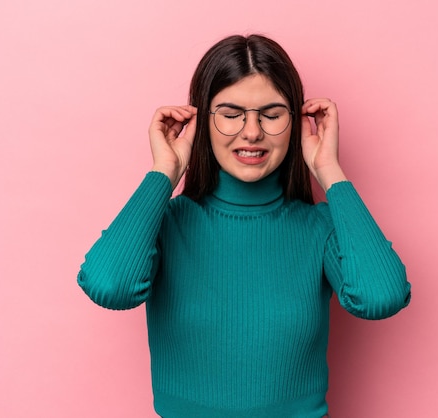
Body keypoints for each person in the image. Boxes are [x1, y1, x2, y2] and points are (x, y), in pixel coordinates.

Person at [77, 34, 411, 418]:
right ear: (202, 119)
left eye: (271, 115)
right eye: (231, 114)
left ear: (295, 121)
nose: (252, 132)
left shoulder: (320, 228)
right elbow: (108, 285)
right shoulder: (167, 223)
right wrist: (164, 173)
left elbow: (381, 296)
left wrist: (329, 171)